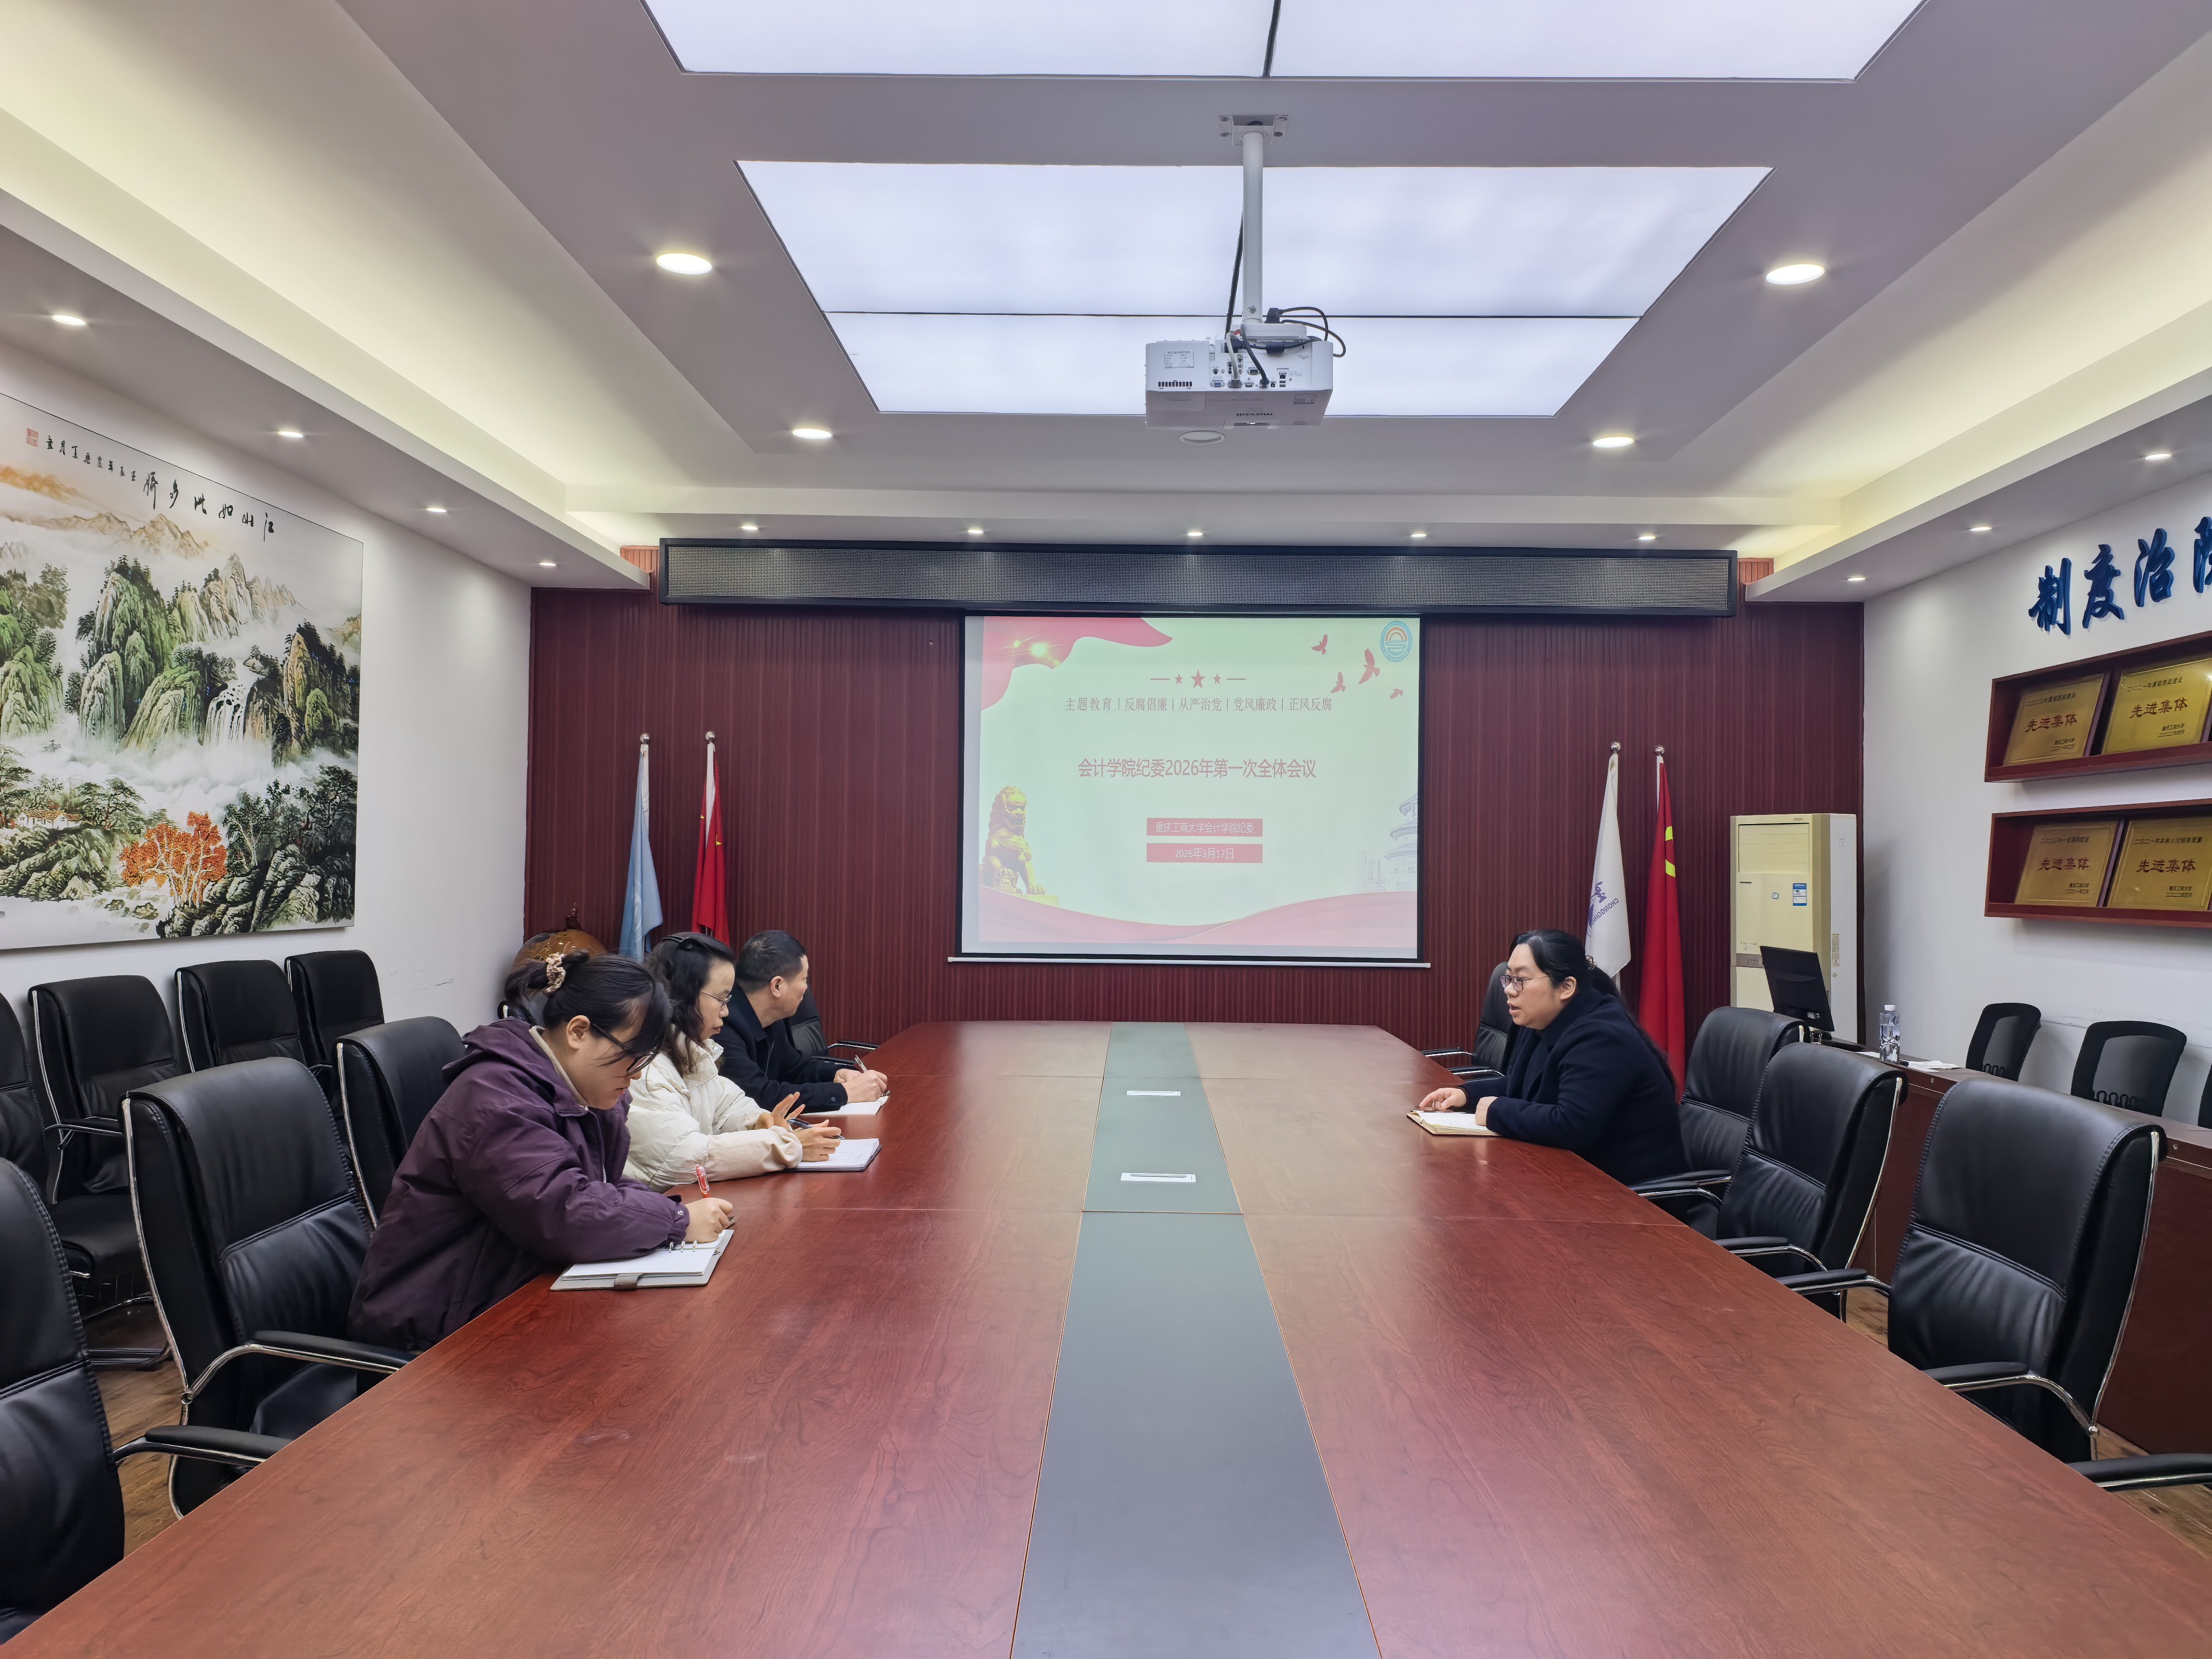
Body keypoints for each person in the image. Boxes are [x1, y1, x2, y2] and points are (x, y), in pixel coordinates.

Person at [349, 952, 733, 1351]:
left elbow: (599, 1184)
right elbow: (565, 1212)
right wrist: (675, 1221)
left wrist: (665, 1213)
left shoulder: (577, 1090)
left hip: (507, 1295)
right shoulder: (495, 1099)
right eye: (631, 1057)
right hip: (432, 1334)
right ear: (579, 1032)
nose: (636, 1075)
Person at [1415, 929, 1687, 1186]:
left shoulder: (1603, 1037)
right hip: (1576, 1175)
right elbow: (1525, 1085)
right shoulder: (1546, 1019)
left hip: (1631, 1196)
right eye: (1508, 979)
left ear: (1566, 987)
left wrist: (1497, 1110)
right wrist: (1467, 1095)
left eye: (1521, 980)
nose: (1509, 990)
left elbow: (1571, 1124)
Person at [628, 933, 844, 1187]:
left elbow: (728, 1106)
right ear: (685, 997)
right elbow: (682, 1159)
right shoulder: (644, 1070)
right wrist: (784, 1146)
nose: (726, 1011)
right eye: (721, 999)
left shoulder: (693, 1052)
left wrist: (757, 1123)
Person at [716, 929, 889, 1115]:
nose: (806, 988)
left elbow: (795, 1069)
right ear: (777, 986)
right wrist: (845, 1093)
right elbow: (760, 1097)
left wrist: (836, 1074)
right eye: (804, 979)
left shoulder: (772, 1017)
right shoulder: (723, 1026)